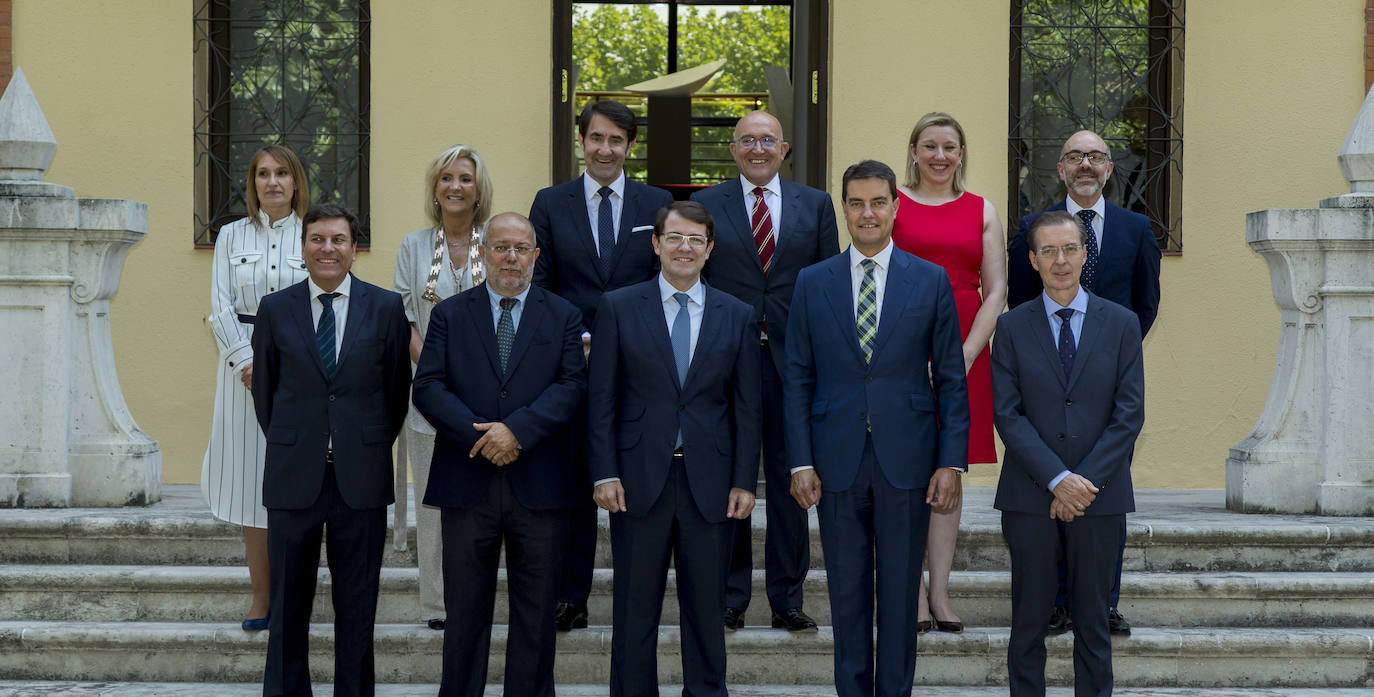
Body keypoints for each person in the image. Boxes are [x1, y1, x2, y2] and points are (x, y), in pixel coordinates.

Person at [784, 160, 969, 697]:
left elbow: (952, 381)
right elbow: (796, 378)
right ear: (843, 207)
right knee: (846, 593)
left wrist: (950, 461)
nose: (868, 213)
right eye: (856, 202)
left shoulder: (929, 279)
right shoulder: (812, 282)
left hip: (908, 461)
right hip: (834, 461)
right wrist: (799, 461)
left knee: (899, 591)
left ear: (895, 207)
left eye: (878, 202)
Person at [587, 201, 761, 697]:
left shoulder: (738, 315)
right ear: (656, 244)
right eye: (675, 238)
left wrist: (745, 480)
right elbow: (601, 400)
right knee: (634, 608)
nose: (684, 248)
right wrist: (603, 472)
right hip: (638, 482)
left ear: (709, 250)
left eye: (695, 240)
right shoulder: (619, 307)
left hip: (711, 482)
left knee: (706, 610)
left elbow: (748, 410)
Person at [412, 212, 587, 697]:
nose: (511, 257)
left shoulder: (564, 314)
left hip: (541, 484)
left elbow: (573, 387)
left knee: (536, 615)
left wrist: (517, 431)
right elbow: (427, 386)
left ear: (535, 256)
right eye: (501, 247)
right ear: (482, 253)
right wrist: (487, 437)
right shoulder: (449, 314)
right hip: (468, 482)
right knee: (465, 613)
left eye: (521, 248)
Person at [251, 203, 411, 697]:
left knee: (358, 608)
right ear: (303, 248)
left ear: (354, 248)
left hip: (359, 481)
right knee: (288, 607)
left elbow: (395, 392)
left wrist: (357, 444)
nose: (328, 248)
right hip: (293, 475)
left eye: (338, 240)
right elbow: (266, 394)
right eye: (317, 239)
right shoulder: (275, 309)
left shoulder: (386, 308)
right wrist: (300, 441)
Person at [1007, 129, 1161, 636]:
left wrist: (1115, 359)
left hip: (1107, 393)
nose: (1086, 165)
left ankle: (1101, 602)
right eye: (1075, 156)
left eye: (1096, 156)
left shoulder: (1137, 228)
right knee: (1048, 494)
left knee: (1103, 501)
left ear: (1110, 168)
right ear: (1062, 169)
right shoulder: (1032, 228)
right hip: (1047, 391)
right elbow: (1022, 305)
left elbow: (1145, 303)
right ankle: (1054, 602)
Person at [529, 99, 674, 631]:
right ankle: (571, 596)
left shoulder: (657, 202)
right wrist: (580, 338)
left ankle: (638, 597)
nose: (605, 149)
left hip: (641, 367)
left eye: (616, 140)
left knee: (631, 479)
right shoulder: (550, 202)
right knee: (573, 487)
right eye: (596, 138)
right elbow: (539, 284)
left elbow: (667, 279)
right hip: (573, 363)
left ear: (630, 146)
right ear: (582, 143)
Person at [692, 110, 838, 633]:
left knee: (790, 477)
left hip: (792, 361)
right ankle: (730, 596)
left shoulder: (816, 205)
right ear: (732, 149)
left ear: (785, 147)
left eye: (767, 140)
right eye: (747, 140)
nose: (757, 149)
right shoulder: (705, 205)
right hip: (724, 361)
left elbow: (828, 284)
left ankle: (786, 598)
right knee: (729, 475)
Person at [991, 210, 1144, 697]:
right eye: (1049, 251)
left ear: (1085, 255)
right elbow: (1008, 416)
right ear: (1033, 260)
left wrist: (1083, 483)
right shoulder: (1011, 328)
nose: (1061, 260)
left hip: (1101, 496)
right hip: (1030, 496)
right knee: (1028, 624)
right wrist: (1058, 479)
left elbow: (1129, 414)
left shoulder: (1122, 323)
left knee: (1094, 627)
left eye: (1070, 249)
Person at [891, 112, 1007, 634]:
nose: (940, 156)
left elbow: (996, 290)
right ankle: (910, 589)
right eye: (930, 146)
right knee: (902, 469)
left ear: (962, 154)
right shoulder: (891, 203)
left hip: (966, 348)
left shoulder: (982, 209)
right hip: (898, 348)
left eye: (950, 147)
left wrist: (962, 355)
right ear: (913, 151)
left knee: (947, 472)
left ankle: (939, 591)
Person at [202, 144, 310, 632]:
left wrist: (289, 364)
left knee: (299, 483)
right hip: (243, 376)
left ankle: (297, 597)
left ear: (296, 181)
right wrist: (249, 362)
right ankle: (262, 598)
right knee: (251, 486)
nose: (272, 182)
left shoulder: (314, 234)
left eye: (282, 173)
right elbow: (220, 307)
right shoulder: (230, 235)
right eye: (263, 174)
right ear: (253, 183)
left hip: (302, 375)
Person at [391, 143, 493, 631]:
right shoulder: (413, 246)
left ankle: (481, 601)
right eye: (447, 177)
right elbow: (403, 319)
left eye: (465, 178)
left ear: (479, 190)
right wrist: (434, 371)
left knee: (488, 507)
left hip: (490, 401)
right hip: (428, 397)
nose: (456, 186)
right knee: (433, 506)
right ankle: (436, 605)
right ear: (435, 188)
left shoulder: (497, 240)